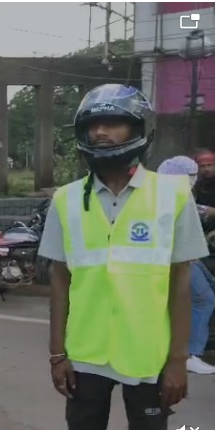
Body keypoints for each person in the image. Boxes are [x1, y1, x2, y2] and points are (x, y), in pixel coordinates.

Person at [38, 84, 209, 430]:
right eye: (93, 125)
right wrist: (57, 354)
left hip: (148, 355)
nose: (100, 132)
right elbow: (59, 281)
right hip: (85, 356)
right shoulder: (66, 200)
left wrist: (178, 359)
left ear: (138, 127)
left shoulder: (173, 196)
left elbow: (181, 284)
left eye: (113, 122)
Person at [157, 155, 215, 375]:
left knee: (208, 292)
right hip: (177, 258)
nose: (194, 180)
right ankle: (190, 353)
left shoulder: (168, 193)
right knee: (204, 299)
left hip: (188, 255)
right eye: (191, 176)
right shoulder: (170, 195)